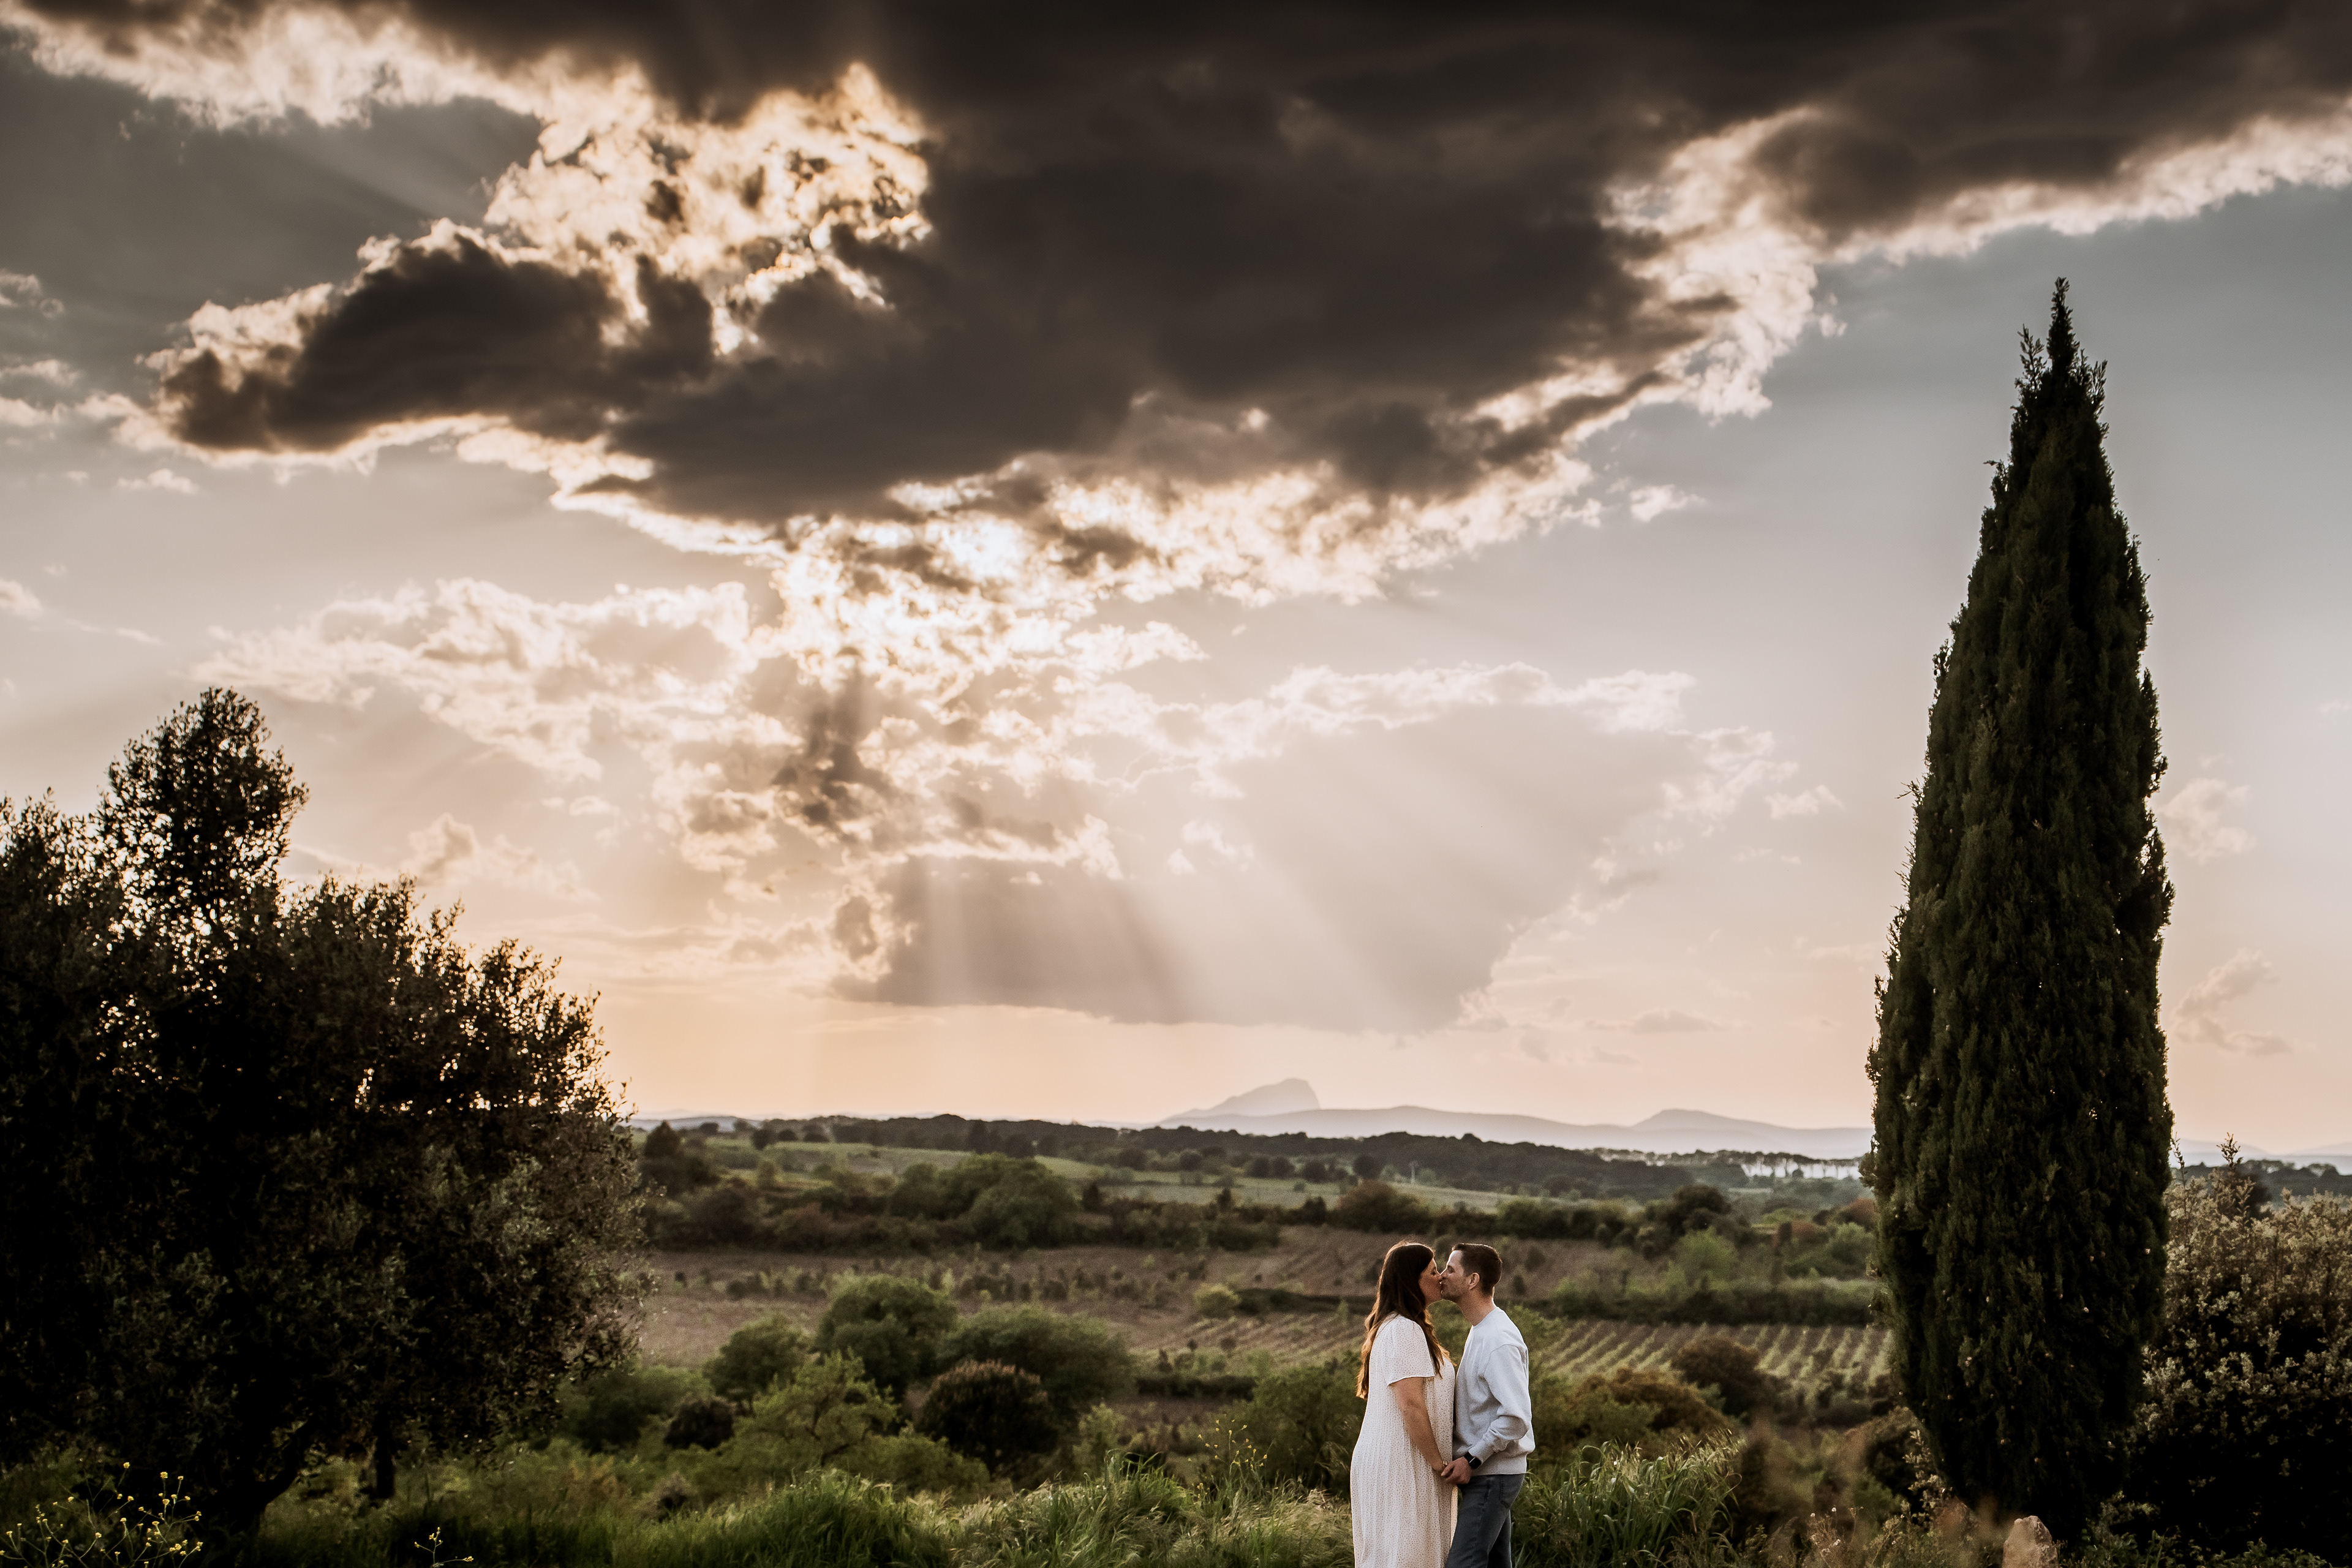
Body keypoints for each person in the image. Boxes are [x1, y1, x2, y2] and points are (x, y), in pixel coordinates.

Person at [1350, 1240, 1457, 1568]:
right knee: (1408, 1556)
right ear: (1412, 1280)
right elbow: (1410, 1404)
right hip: (1406, 1461)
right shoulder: (1403, 1331)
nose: (1439, 1277)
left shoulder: (1397, 1329)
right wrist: (1439, 1463)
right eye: (1432, 1271)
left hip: (1402, 1456)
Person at [1436, 1243, 1534, 1568]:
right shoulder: (1481, 1330)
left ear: (1472, 1281)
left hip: (1493, 1474)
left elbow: (1516, 1417)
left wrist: (1471, 1460)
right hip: (1488, 1473)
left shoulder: (1498, 1340)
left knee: (1463, 1564)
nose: (1442, 1274)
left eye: (1451, 1269)